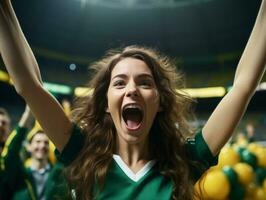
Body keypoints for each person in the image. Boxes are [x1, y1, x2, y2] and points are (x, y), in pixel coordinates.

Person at [0, 0, 265, 199]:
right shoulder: (80, 152)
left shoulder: (185, 160)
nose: (132, 90)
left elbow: (242, 87)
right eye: (119, 82)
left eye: (145, 82)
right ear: (105, 103)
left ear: (160, 102)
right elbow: (28, 84)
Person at [0, 106, 68, 200]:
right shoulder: (20, 175)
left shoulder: (58, 174)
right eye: (38, 142)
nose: (42, 146)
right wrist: (27, 116)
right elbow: (11, 153)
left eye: (46, 142)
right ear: (29, 147)